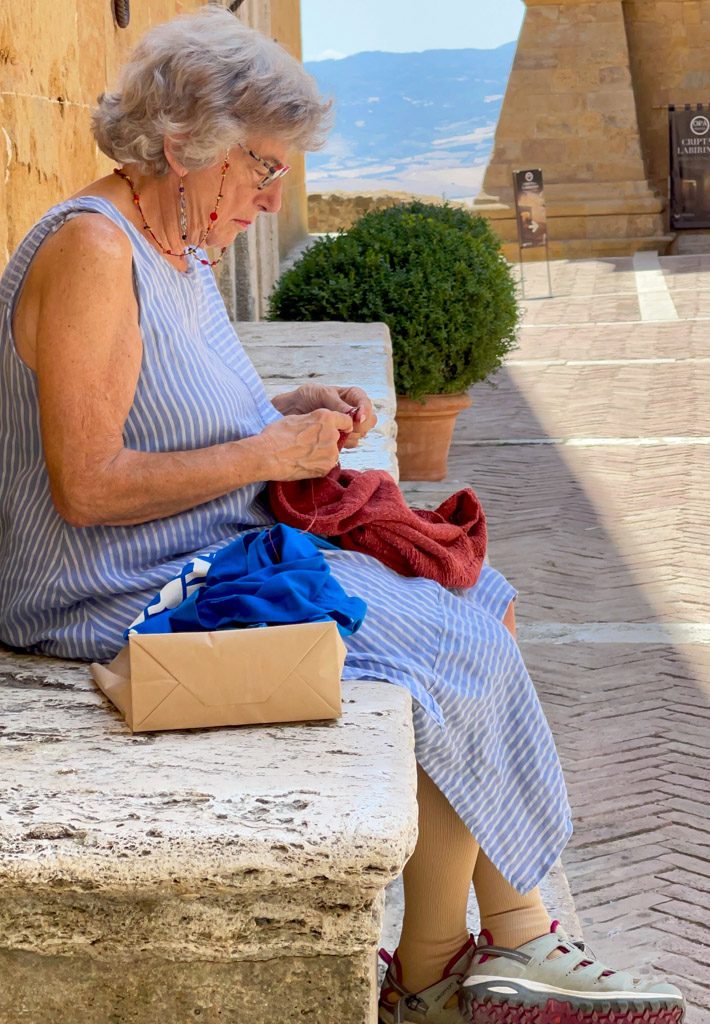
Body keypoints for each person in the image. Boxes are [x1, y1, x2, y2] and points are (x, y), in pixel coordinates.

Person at [0, 9, 684, 1024]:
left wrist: (283, 410)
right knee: (445, 636)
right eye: (261, 167)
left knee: (470, 597)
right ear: (183, 144)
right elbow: (89, 483)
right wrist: (270, 455)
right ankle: (485, 952)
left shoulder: (174, 245)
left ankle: (454, 956)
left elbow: (169, 407)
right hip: (112, 592)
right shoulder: (97, 254)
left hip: (201, 551)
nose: (271, 196)